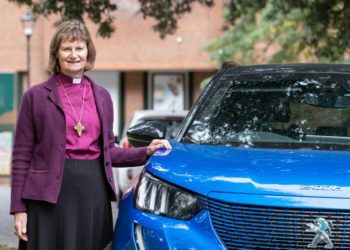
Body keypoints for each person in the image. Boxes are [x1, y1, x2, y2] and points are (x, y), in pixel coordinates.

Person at [10, 19, 171, 250]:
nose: (73, 54)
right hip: (47, 196)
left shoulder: (103, 97)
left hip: (91, 193)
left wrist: (146, 152)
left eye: (79, 48)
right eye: (66, 48)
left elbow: (109, 152)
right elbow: (21, 155)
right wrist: (19, 208)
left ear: (88, 52)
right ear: (56, 53)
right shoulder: (35, 96)